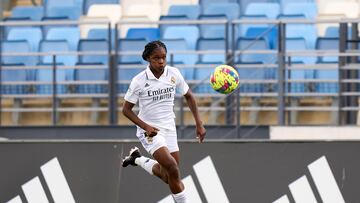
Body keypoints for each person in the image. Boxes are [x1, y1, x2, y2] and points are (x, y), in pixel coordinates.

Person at [121, 40, 206, 203]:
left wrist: (199, 123)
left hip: (169, 128)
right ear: (148, 58)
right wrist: (145, 126)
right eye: (156, 58)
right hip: (149, 132)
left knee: (169, 175)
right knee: (173, 168)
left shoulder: (173, 74)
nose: (161, 62)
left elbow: (189, 96)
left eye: (163, 58)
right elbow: (126, 110)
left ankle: (137, 159)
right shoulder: (139, 81)